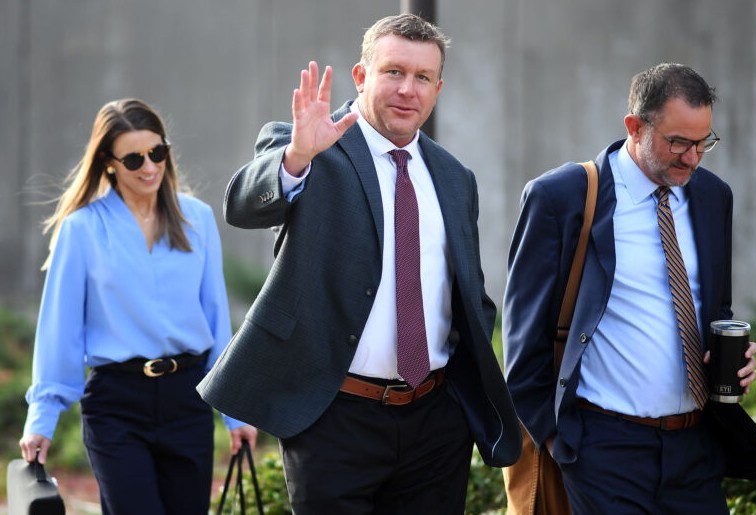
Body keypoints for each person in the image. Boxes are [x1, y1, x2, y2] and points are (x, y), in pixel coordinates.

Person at [198, 13, 520, 514]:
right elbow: (242, 206)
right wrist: (296, 157)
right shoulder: (312, 145)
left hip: (435, 423)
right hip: (333, 419)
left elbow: (467, 294)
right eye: (394, 71)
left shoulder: (455, 178)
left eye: (423, 77)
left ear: (437, 89)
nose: (408, 89)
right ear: (361, 75)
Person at [503, 62, 756, 514]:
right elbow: (522, 341)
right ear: (635, 127)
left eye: (703, 143)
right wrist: (558, 441)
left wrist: (733, 361)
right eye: (678, 142)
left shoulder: (713, 196)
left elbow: (715, 310)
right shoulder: (561, 197)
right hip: (603, 451)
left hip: (695, 448)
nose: (692, 158)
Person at [19, 98, 257, 515]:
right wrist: (42, 416)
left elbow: (217, 321)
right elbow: (60, 328)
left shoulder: (197, 220)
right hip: (116, 404)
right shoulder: (82, 229)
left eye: (157, 152)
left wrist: (235, 411)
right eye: (133, 159)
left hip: (187, 399)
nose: (149, 167)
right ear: (109, 163)